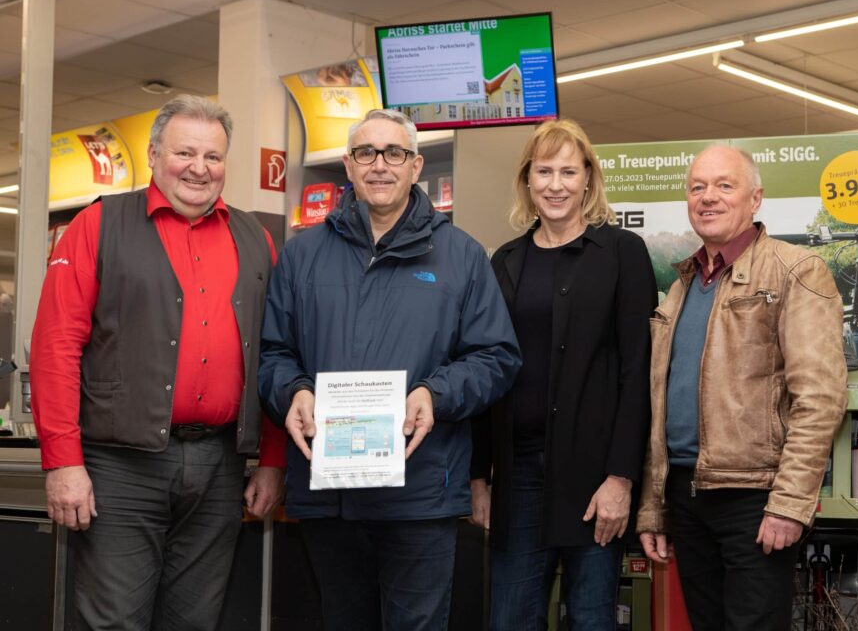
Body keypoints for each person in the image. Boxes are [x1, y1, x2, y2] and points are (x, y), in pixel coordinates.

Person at [258, 108, 521, 631]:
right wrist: (294, 391)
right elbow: (273, 353)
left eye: (394, 153)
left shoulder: (462, 256)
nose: (380, 165)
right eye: (365, 154)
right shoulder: (301, 255)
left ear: (416, 165)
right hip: (327, 494)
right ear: (349, 168)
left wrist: (436, 393)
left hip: (420, 496)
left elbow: (497, 357)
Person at [30, 94, 286, 630]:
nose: (199, 168)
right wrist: (63, 462)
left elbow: (273, 353)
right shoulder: (98, 226)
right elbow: (56, 347)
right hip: (120, 468)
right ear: (152, 155)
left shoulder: (257, 239)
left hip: (219, 467)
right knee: (114, 620)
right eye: (184, 153)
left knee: (196, 620)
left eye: (213, 157)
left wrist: (271, 457)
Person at [636, 145, 847, 631]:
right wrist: (654, 506)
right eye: (697, 187)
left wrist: (790, 503)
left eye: (724, 186)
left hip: (756, 501)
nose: (708, 197)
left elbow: (820, 397)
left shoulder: (795, 269)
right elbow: (658, 403)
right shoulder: (681, 286)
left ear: (755, 199)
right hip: (687, 499)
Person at [469, 119, 658, 631]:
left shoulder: (622, 254)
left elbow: (637, 371)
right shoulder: (506, 261)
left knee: (593, 617)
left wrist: (621, 478)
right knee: (509, 619)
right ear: (527, 180)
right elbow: (489, 371)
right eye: (544, 170)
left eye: (568, 171)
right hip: (518, 476)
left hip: (593, 477)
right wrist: (479, 477)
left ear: (588, 180)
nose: (556, 184)